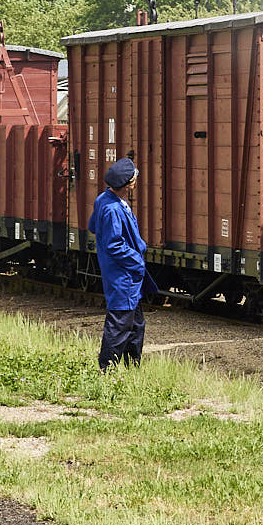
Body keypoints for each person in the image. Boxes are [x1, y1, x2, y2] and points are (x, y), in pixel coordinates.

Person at [92, 155, 150, 368]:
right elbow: (114, 245)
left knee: (135, 325)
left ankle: (131, 369)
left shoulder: (104, 199)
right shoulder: (113, 209)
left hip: (124, 275)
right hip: (123, 276)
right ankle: (106, 372)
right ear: (128, 184)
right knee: (119, 327)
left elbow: (93, 226)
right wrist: (138, 261)